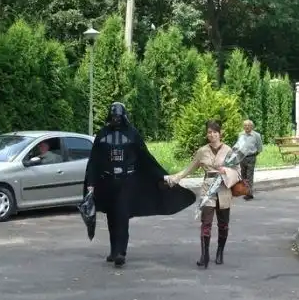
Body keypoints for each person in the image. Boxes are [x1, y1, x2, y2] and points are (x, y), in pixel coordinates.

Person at [84, 102, 196, 267]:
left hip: (126, 182)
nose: (116, 120)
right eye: (113, 117)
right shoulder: (102, 134)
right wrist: (91, 183)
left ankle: (121, 252)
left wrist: (161, 175)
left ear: (123, 117)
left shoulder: (132, 134)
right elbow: (94, 161)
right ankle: (114, 250)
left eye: (118, 117)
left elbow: (145, 157)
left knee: (122, 215)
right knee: (112, 216)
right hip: (107, 182)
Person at [167, 120, 243, 268]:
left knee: (223, 224)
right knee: (206, 222)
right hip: (208, 190)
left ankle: (220, 252)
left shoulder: (228, 150)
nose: (212, 135)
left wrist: (226, 171)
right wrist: (175, 178)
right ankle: (204, 255)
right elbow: (190, 168)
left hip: (223, 189)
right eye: (209, 132)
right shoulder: (202, 151)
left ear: (220, 134)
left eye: (215, 132)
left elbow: (238, 171)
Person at [234, 120, 263, 200]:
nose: (247, 127)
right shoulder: (240, 134)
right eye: (245, 125)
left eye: (248, 125)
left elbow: (259, 148)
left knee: (249, 175)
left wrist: (253, 155)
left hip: (251, 157)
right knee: (243, 175)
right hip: (242, 157)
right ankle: (245, 191)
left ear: (252, 127)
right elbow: (238, 145)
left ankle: (249, 193)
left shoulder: (256, 135)